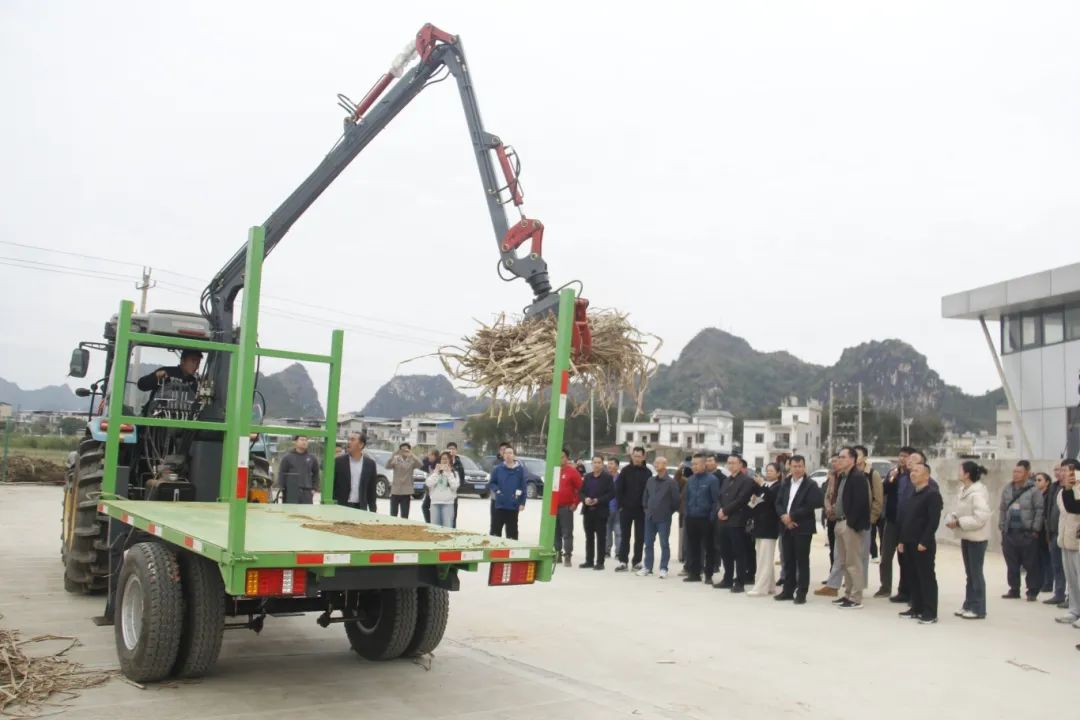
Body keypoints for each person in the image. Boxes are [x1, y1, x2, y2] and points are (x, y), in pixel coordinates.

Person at [945, 461, 991, 619]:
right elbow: (959, 510)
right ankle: (969, 604)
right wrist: (952, 518)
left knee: (976, 574)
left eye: (960, 470)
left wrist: (959, 523)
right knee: (970, 574)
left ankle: (979, 609)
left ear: (967, 474)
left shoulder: (977, 493)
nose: (958, 472)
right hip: (966, 536)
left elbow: (981, 517)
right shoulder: (963, 490)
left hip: (977, 538)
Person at [775, 455, 824, 604]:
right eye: (794, 466)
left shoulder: (810, 484)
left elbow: (815, 503)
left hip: (802, 528)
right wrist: (784, 517)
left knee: (802, 561)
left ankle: (801, 593)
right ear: (789, 467)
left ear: (804, 467)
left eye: (800, 466)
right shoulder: (785, 483)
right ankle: (788, 591)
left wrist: (793, 516)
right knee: (788, 560)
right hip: (786, 527)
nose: (797, 469)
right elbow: (778, 502)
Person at [898, 462, 943, 624]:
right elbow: (907, 519)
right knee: (913, 576)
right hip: (909, 542)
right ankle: (916, 608)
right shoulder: (914, 493)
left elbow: (933, 521)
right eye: (912, 471)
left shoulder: (932, 495)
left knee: (926, 577)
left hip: (922, 543)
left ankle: (930, 612)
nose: (913, 473)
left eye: (917, 471)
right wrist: (902, 540)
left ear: (927, 475)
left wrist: (925, 540)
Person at [831, 446, 871, 609]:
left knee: (854, 562)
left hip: (850, 524)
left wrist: (851, 523)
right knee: (845, 561)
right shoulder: (843, 477)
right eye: (839, 457)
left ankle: (856, 597)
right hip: (840, 522)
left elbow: (861, 503)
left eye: (843, 457)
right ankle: (848, 594)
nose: (839, 460)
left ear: (852, 459)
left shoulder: (858, 477)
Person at [998, 459, 1044, 600]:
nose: (1016, 474)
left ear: (1027, 473)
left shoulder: (1034, 490)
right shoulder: (1007, 489)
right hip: (1010, 532)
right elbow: (1002, 509)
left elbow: (1039, 510)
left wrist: (1035, 530)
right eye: (1014, 471)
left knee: (1031, 563)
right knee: (1012, 563)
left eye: (1019, 472)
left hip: (1027, 533)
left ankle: (1032, 591)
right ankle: (1014, 589)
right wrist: (1002, 526)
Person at [877, 446, 915, 598]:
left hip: (907, 523)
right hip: (892, 520)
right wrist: (890, 479)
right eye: (900, 456)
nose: (902, 459)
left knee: (904, 558)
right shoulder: (894, 473)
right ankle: (885, 587)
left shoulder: (914, 475)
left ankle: (904, 590)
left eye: (905, 456)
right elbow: (883, 490)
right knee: (885, 556)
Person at [715, 454, 754, 592]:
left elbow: (741, 499)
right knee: (725, 552)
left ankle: (740, 582)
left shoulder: (747, 481)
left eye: (734, 463)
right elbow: (719, 497)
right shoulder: (726, 480)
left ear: (740, 465)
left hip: (737, 521)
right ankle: (727, 579)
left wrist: (725, 511)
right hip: (723, 521)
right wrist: (720, 510)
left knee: (739, 553)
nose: (731, 465)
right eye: (729, 463)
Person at [639, 457, 680, 578]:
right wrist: (646, 509)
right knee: (648, 543)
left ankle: (663, 568)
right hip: (650, 517)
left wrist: (668, 512)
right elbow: (645, 496)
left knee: (664, 544)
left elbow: (676, 501)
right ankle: (647, 567)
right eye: (655, 462)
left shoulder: (671, 482)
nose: (655, 464)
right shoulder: (650, 480)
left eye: (658, 463)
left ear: (665, 464)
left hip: (664, 518)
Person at [683, 452, 720, 583]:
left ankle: (708, 574)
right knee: (693, 546)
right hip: (691, 518)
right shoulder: (691, 480)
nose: (694, 466)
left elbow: (716, 501)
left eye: (697, 464)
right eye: (692, 464)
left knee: (709, 547)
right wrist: (687, 514)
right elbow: (687, 499)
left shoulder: (712, 480)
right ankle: (694, 573)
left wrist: (711, 517)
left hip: (706, 519)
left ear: (704, 465)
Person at [747, 462, 782, 596]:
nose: (768, 473)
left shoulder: (778, 486)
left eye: (771, 471)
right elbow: (758, 503)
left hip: (770, 526)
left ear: (778, 473)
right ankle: (770, 586)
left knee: (764, 558)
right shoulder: (764, 487)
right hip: (759, 525)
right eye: (767, 471)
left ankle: (760, 588)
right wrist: (753, 500)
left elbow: (772, 499)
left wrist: (763, 484)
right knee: (762, 556)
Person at [1054, 458, 1080, 629]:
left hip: (1077, 542)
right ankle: (1074, 610)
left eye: (1066, 470)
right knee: (1072, 580)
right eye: (1061, 470)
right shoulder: (1063, 492)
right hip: (1065, 540)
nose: (1062, 474)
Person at [615, 447, 651, 572]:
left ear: (643, 457)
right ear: (631, 456)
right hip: (626, 509)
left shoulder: (647, 473)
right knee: (625, 536)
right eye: (635, 456)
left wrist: (646, 507)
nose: (637, 458)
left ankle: (637, 562)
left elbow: (649, 492)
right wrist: (620, 505)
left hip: (641, 511)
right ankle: (623, 561)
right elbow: (618, 489)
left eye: (639, 456)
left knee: (640, 537)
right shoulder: (625, 471)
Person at [854, 446, 884, 587]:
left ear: (865, 458)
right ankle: (852, 582)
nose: (855, 458)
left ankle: (860, 584)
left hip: (865, 521)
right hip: (851, 521)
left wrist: (871, 519)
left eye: (858, 455)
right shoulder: (849, 473)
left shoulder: (873, 474)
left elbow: (878, 500)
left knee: (863, 555)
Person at [579, 456, 615, 569]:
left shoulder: (607, 478)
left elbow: (611, 494)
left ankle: (600, 562)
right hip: (588, 511)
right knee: (589, 537)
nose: (596, 464)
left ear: (602, 464)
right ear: (592, 464)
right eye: (594, 462)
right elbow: (581, 492)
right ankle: (589, 561)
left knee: (601, 538)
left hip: (601, 512)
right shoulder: (587, 477)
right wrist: (585, 499)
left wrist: (598, 500)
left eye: (599, 462)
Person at [488, 445, 526, 538]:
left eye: (510, 453)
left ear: (514, 455)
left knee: (512, 533)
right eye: (506, 453)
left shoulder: (520, 470)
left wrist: (522, 503)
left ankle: (512, 547)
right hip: (500, 505)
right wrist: (497, 491)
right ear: (503, 455)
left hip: (513, 506)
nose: (508, 455)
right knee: (495, 531)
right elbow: (492, 483)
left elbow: (523, 486)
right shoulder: (498, 469)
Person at [332, 431, 377, 511]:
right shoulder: (338, 462)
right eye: (348, 439)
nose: (349, 442)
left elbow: (372, 490)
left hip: (360, 507)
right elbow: (332, 485)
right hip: (341, 507)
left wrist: (373, 511)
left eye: (352, 440)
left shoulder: (370, 464)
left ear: (361, 445)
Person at [136, 349, 202, 401]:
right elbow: (141, 385)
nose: (196, 366)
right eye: (193, 361)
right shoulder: (166, 372)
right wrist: (155, 377)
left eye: (198, 363)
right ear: (182, 361)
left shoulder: (195, 383)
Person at [1044, 463, 1068, 606]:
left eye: (1061, 470)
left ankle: (1071, 597)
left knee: (1070, 568)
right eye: (1056, 470)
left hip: (1067, 533)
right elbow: (1048, 510)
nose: (1058, 472)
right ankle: (1059, 594)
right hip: (1054, 533)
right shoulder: (1053, 487)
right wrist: (1048, 532)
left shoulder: (1071, 488)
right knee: (1057, 565)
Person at [555, 448, 584, 567]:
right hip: (553, 507)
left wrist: (575, 503)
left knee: (567, 532)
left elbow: (581, 489)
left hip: (566, 507)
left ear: (567, 458)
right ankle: (557, 553)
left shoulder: (572, 472)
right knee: (555, 532)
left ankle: (567, 555)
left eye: (562, 457)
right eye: (558, 456)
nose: (560, 459)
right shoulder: (553, 471)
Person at [276, 435, 320, 504]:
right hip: (291, 491)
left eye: (306, 440)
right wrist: (282, 488)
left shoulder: (312, 458)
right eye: (302, 440)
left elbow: (316, 474)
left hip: (307, 492)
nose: (304, 442)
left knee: (307, 510)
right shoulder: (287, 458)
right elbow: (282, 473)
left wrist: (314, 488)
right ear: (295, 442)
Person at [385, 443, 421, 518]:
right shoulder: (396, 459)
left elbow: (420, 464)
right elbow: (387, 466)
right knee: (393, 514)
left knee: (404, 515)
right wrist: (393, 455)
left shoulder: (412, 460)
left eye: (406, 450)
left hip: (406, 491)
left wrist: (412, 455)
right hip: (395, 490)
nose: (404, 451)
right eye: (402, 450)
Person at [425, 451, 460, 527]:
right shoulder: (435, 472)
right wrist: (436, 473)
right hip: (435, 503)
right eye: (442, 459)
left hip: (448, 504)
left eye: (446, 459)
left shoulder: (454, 473)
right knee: (435, 528)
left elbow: (455, 486)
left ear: (450, 461)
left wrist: (448, 474)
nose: (444, 461)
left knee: (447, 527)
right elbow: (428, 483)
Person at [1034, 472, 1054, 595]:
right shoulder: (1036, 495)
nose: (1037, 482)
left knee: (1047, 558)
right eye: (1036, 480)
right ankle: (1041, 582)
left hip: (1045, 530)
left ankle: (1048, 583)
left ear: (1047, 482)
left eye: (1040, 480)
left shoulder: (1049, 495)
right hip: (1037, 529)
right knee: (1039, 558)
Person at [605, 457, 622, 559]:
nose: (609, 466)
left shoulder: (621, 479)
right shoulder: (605, 478)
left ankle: (618, 552)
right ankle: (606, 551)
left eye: (611, 463)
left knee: (618, 531)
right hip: (606, 509)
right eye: (608, 464)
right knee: (606, 531)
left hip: (618, 509)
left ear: (617, 466)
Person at [446, 442, 466, 529]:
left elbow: (462, 479)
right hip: (442, 493)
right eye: (449, 448)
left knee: (453, 516)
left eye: (453, 449)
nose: (451, 450)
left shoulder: (459, 463)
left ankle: (452, 531)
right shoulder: (443, 461)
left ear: (456, 451)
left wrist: (456, 489)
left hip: (453, 494)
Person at [421, 448, 439, 523]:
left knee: (428, 507)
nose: (429, 457)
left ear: (434, 456)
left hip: (436, 491)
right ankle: (429, 522)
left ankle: (431, 523)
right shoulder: (430, 464)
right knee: (425, 507)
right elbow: (422, 466)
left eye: (430, 455)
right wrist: (426, 458)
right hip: (430, 490)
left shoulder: (438, 465)